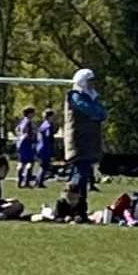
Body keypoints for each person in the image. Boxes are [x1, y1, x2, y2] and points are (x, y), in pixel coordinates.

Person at [64, 68, 107, 220]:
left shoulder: (92, 97)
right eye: (90, 81)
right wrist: (97, 110)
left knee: (82, 177)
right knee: (79, 178)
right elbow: (93, 112)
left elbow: (102, 113)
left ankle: (78, 209)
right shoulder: (76, 96)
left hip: (87, 143)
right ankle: (74, 209)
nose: (93, 84)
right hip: (78, 143)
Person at [36, 108, 58, 188]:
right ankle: (39, 182)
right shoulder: (48, 125)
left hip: (40, 147)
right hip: (46, 148)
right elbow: (48, 135)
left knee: (43, 166)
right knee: (44, 166)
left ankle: (38, 180)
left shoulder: (43, 124)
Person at [15, 106, 37, 188]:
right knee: (30, 162)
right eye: (33, 113)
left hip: (20, 143)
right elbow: (28, 132)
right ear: (29, 113)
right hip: (27, 143)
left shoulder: (22, 121)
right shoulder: (28, 122)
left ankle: (19, 181)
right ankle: (27, 181)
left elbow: (17, 130)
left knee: (21, 162)